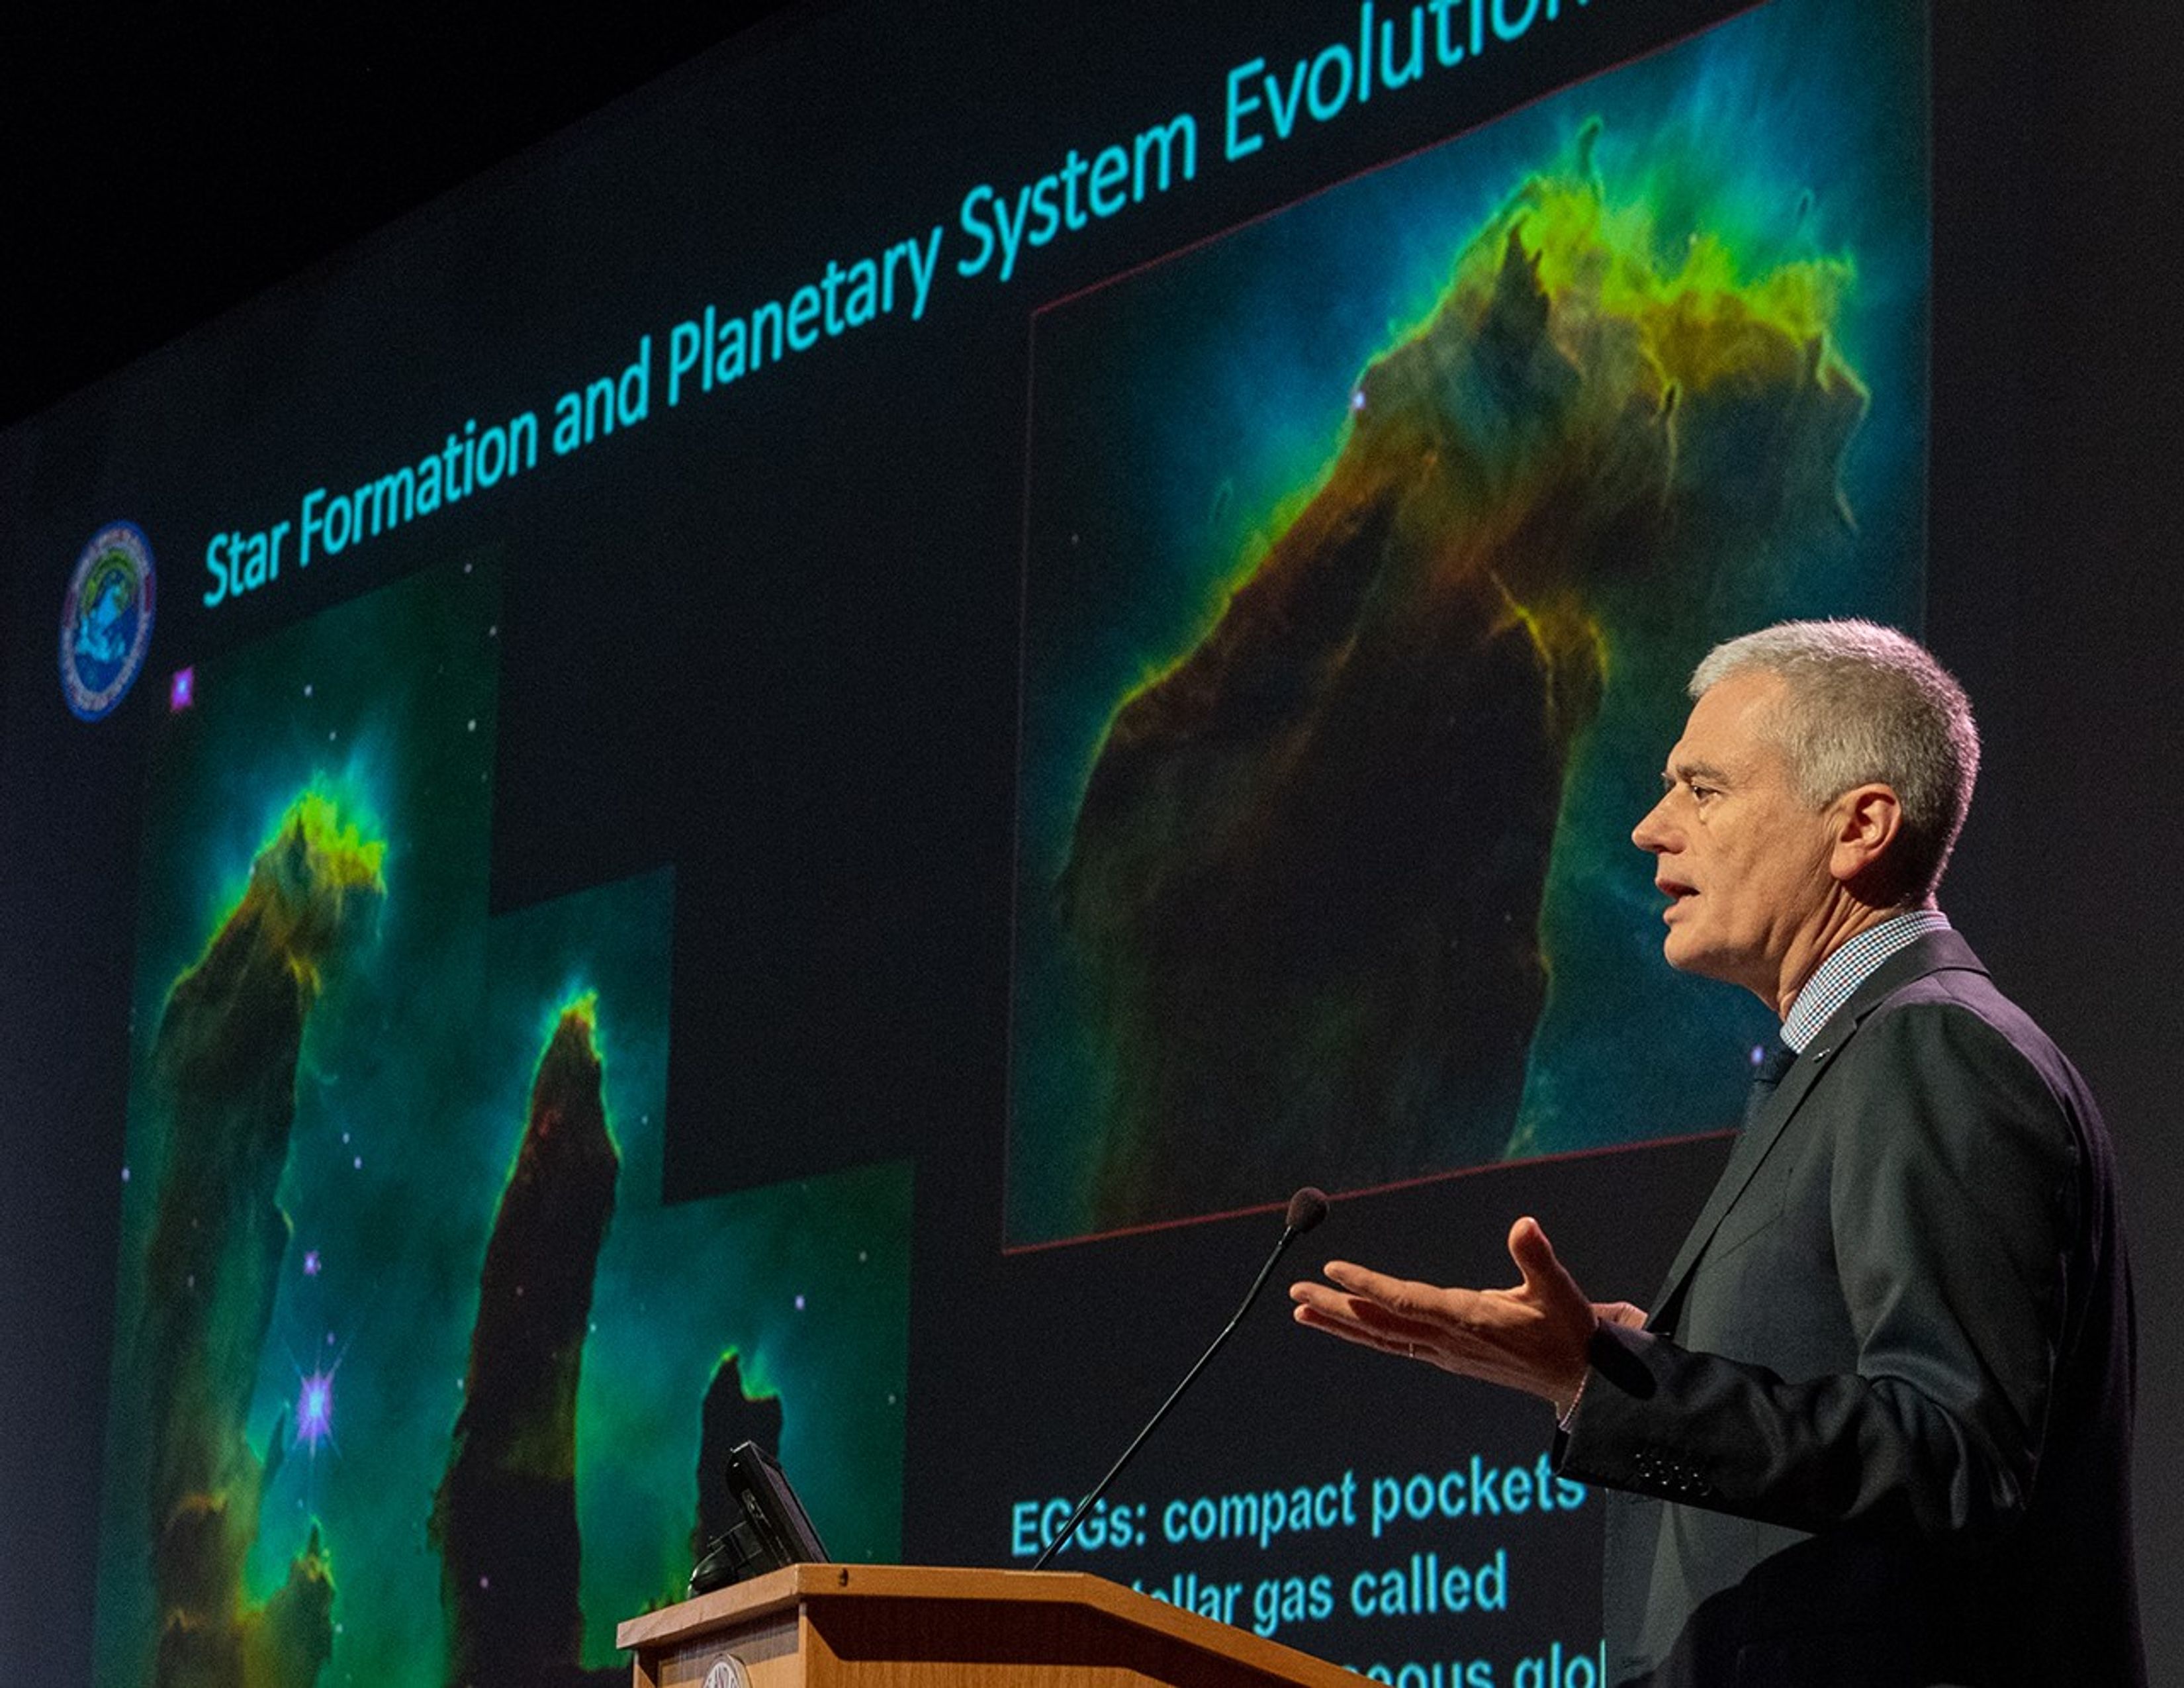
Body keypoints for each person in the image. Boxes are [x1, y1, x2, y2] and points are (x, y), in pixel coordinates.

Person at [1291, 620, 2143, 1686]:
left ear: (1859, 825)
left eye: (1703, 789)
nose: (1651, 828)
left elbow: (1954, 1455)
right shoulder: (1850, 1057)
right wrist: (1608, 1366)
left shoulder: (1932, 1043)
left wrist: (1619, 1387)